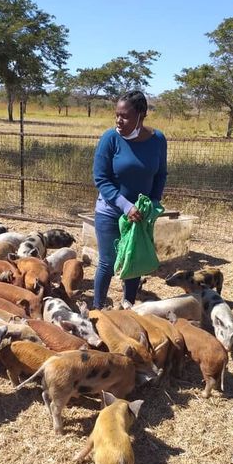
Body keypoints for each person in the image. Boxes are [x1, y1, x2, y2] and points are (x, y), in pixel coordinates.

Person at [92, 90, 167, 309]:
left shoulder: (158, 140)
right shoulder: (110, 138)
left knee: (134, 261)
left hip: (140, 214)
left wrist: (153, 203)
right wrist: (125, 206)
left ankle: (129, 306)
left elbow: (161, 174)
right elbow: (101, 178)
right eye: (117, 114)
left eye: (124, 116)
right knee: (107, 262)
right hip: (111, 211)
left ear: (141, 115)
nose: (118, 120)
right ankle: (97, 310)